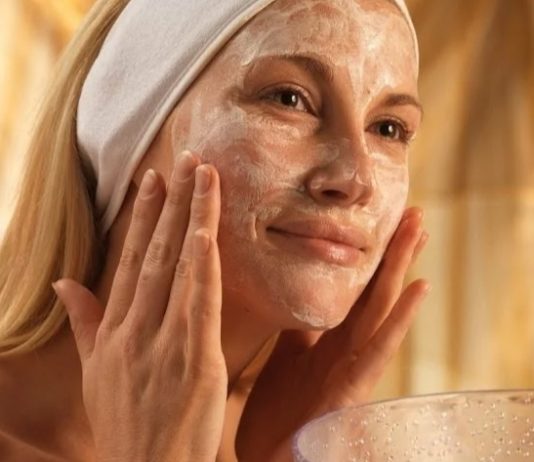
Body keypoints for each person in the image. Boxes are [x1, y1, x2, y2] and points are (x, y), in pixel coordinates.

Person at [0, 0, 430, 460]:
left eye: (388, 128)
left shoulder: (301, 444)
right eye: (288, 99)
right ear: (129, 133)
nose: (356, 179)